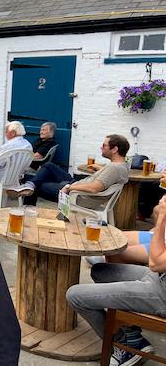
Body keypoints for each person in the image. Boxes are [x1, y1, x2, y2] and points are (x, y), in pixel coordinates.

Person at [65, 194, 166, 365]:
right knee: (100, 271)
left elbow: (155, 263)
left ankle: (123, 345)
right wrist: (160, 211)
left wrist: (163, 218)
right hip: (158, 277)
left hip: (162, 293)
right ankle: (130, 332)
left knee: (75, 295)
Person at [22, 134, 130, 207]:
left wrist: (69, 187)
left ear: (115, 149)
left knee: (37, 184)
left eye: (104, 145)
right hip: (78, 186)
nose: (101, 147)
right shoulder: (122, 165)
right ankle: (30, 183)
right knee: (49, 166)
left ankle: (27, 209)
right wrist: (101, 169)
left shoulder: (114, 168)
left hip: (76, 194)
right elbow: (109, 176)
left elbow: (94, 188)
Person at [0, 121, 33, 213]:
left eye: (6, 131)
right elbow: (26, 165)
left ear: (13, 133)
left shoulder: (9, 145)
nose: (5, 134)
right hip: (15, 178)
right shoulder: (28, 145)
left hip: (1, 178)